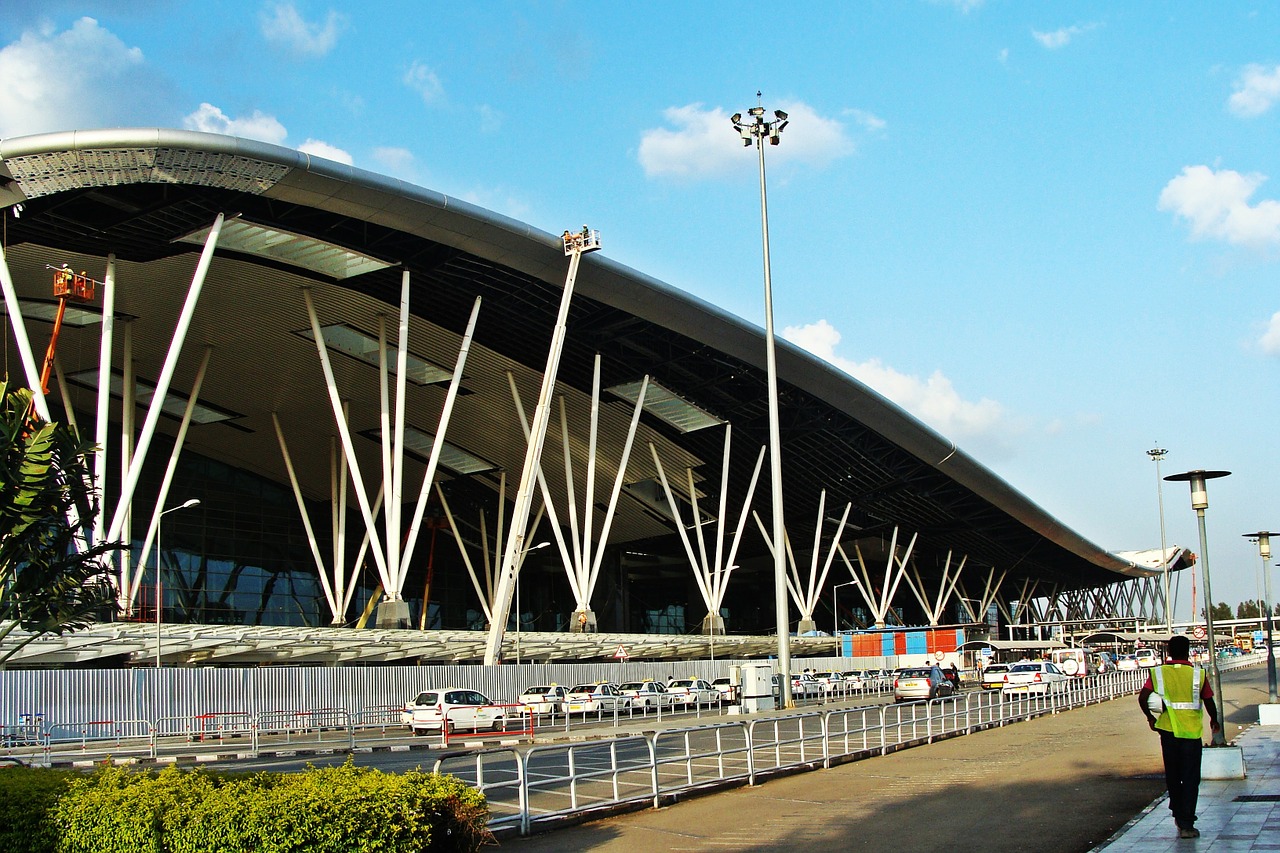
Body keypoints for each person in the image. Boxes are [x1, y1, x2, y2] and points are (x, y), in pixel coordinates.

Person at [1138, 634, 1220, 840]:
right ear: (1188, 651)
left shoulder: (1158, 673)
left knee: (1173, 776)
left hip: (1167, 732)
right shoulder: (1197, 675)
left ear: (1169, 652)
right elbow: (1208, 700)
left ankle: (1177, 812)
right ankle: (1187, 823)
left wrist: (1150, 717)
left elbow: (1143, 697)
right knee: (1191, 778)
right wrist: (1214, 720)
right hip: (1191, 733)